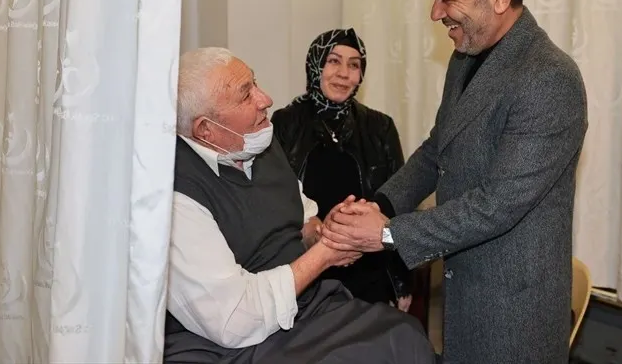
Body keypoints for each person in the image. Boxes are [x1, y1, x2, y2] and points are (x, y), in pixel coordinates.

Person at [321, 0, 589, 364]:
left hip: (513, 311)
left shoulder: (549, 78)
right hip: (463, 290)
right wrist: (378, 206)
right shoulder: (466, 57)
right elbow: (436, 149)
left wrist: (387, 233)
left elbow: (496, 205)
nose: (435, 13)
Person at [164, 47, 436, 364]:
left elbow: (303, 219)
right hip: (236, 341)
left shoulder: (259, 140)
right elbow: (234, 319)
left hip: (304, 307)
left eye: (255, 83)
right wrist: (326, 254)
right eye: (245, 95)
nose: (265, 99)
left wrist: (326, 232)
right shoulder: (176, 196)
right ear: (205, 129)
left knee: (404, 334)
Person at [271, 28, 413, 311]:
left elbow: (398, 204)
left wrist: (400, 280)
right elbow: (274, 197)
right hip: (306, 268)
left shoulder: (380, 127)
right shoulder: (285, 123)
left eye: (354, 65)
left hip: (368, 268)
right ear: (316, 65)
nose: (344, 74)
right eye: (334, 61)